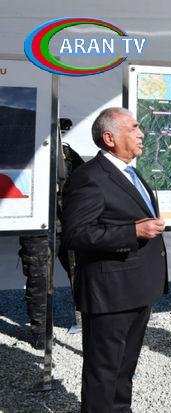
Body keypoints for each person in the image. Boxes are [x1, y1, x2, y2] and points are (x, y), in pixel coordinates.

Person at [61, 107, 168, 412]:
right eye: (133, 128)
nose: (141, 134)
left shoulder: (130, 172)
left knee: (124, 368)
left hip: (136, 287)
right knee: (104, 373)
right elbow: (76, 234)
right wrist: (133, 231)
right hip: (109, 293)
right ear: (109, 138)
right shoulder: (89, 177)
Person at [19, 135, 84, 350]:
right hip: (39, 226)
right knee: (39, 279)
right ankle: (40, 332)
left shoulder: (67, 154)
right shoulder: (24, 152)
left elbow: (86, 184)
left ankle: (84, 320)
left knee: (81, 273)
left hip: (69, 222)